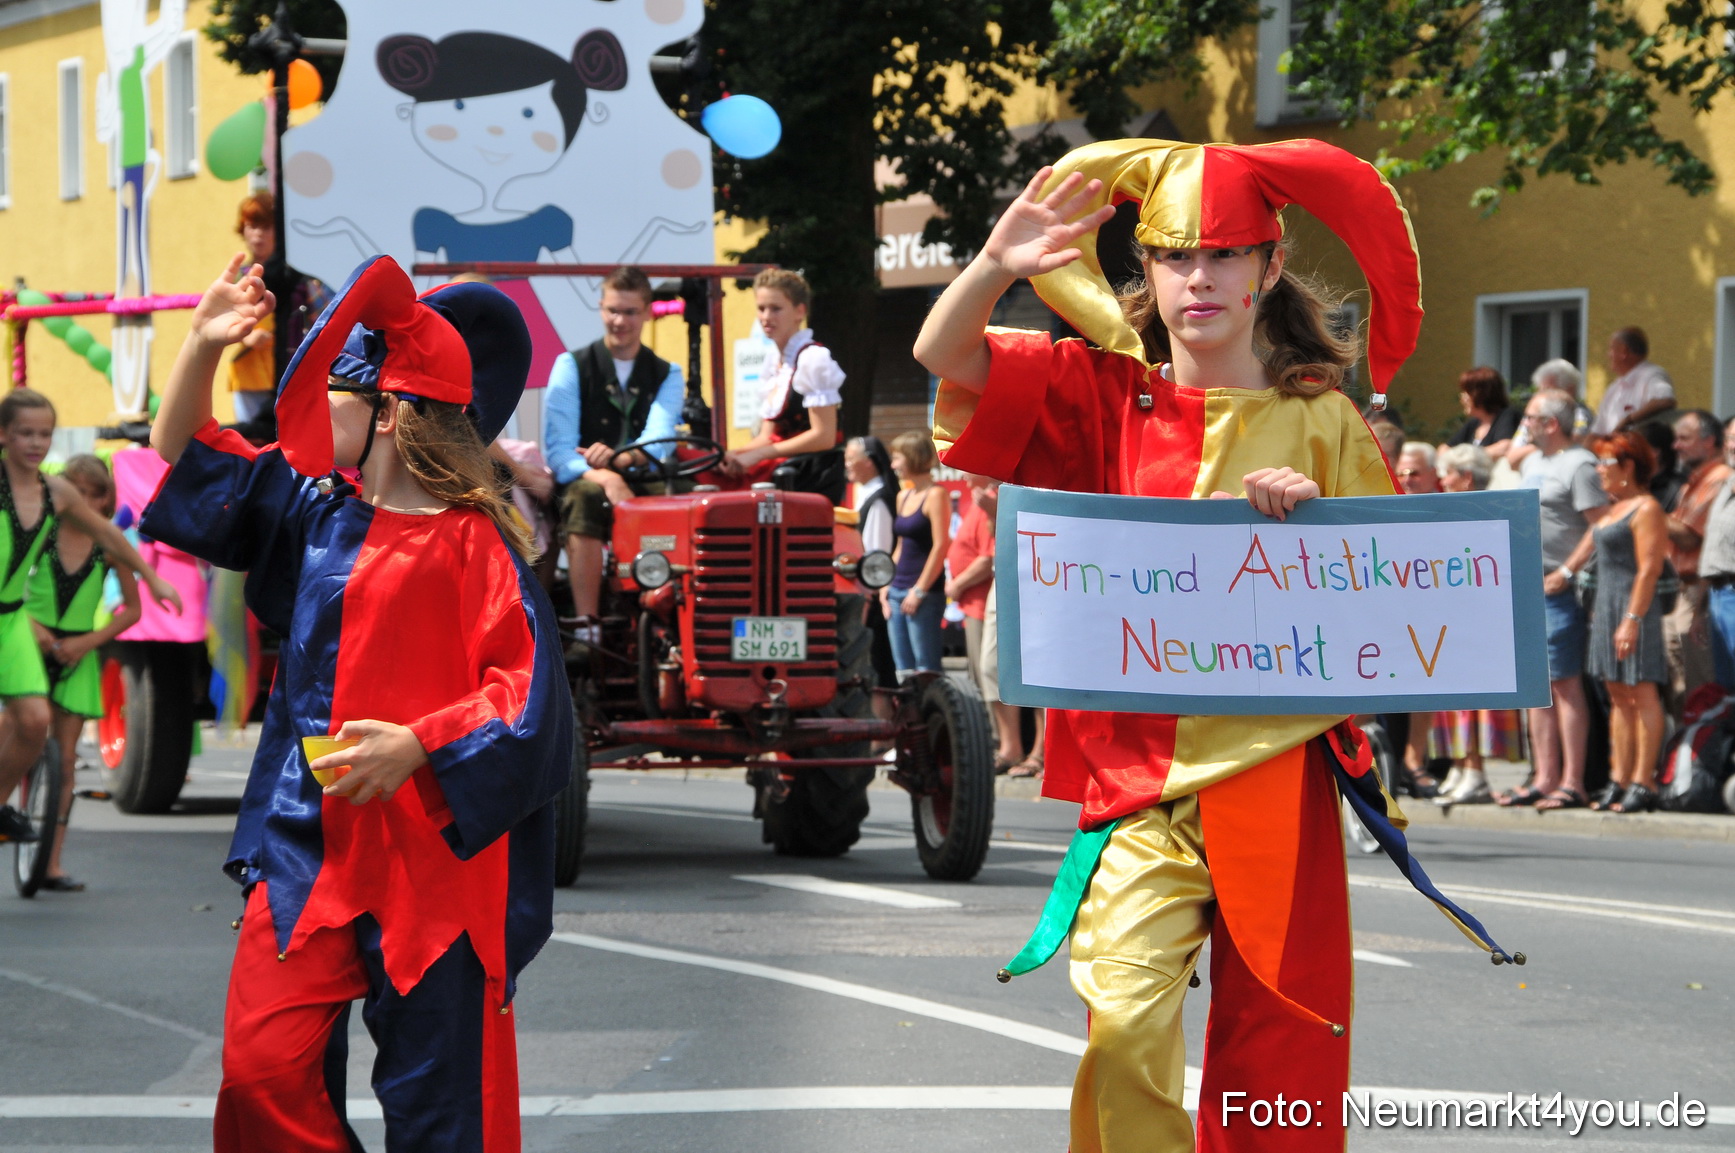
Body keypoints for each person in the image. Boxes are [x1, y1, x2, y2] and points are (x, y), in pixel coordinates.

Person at [914, 137, 1510, 1153]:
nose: (1200, 276)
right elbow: (945, 355)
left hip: (1277, 772)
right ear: (1142, 270)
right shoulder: (1099, 393)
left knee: (1281, 1048)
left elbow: (1394, 607)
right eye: (1176, 254)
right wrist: (995, 264)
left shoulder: (1324, 421)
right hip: (1137, 778)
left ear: (1269, 267)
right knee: (1125, 1024)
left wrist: (1318, 523)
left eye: (1226, 253)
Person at [144, 253, 571, 1152]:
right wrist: (201, 342)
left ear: (392, 408)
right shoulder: (309, 506)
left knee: (445, 1111)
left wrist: (418, 743)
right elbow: (182, 454)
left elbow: (528, 705)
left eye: (337, 387)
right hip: (306, 841)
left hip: (438, 866)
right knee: (259, 1072)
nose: (313, 405)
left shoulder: (480, 546)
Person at [0, 390, 180, 846]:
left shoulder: (53, 491)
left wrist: (152, 579)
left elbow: (109, 534)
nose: (35, 442)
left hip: (12, 621)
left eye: (44, 434)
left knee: (36, 720)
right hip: (27, 624)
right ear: (3, 435)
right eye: (25, 433)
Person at [542, 266, 685, 639]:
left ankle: (675, 614)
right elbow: (559, 451)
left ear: (648, 312)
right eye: (612, 310)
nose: (619, 321)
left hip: (643, 476)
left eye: (630, 312)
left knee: (685, 501)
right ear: (601, 308)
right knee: (584, 497)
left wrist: (620, 459)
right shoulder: (571, 366)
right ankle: (588, 626)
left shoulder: (667, 373)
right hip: (587, 479)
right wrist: (605, 476)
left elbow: (660, 439)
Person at [22, 455, 142, 890]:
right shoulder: (40, 533)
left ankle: (50, 861)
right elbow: (10, 585)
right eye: (79, 492)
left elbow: (133, 609)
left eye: (96, 494)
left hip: (78, 652)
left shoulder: (109, 546)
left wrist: (86, 642)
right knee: (19, 742)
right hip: (30, 643)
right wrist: (32, 629)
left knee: (66, 760)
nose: (86, 501)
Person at [1553, 432, 1668, 812]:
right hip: (1606, 607)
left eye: (1605, 462)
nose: (1599, 469)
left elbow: (1649, 569)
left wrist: (1632, 619)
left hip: (1635, 608)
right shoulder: (1614, 508)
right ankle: (1619, 777)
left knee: (1642, 692)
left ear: (1628, 466)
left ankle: (1644, 780)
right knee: (1617, 696)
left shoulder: (1647, 508)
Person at [1508, 388, 1611, 810]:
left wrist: (1566, 572)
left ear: (1551, 423)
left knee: (1565, 685)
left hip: (1558, 589)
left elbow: (1601, 524)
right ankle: (1544, 776)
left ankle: (1573, 781)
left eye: (1530, 417)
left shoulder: (1580, 464)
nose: (1524, 425)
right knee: (1536, 686)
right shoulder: (1534, 461)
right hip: (1528, 584)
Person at [1429, 444, 1522, 804]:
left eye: (1449, 473)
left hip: (1480, 618)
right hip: (1452, 614)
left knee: (1473, 697)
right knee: (1450, 695)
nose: (1443, 479)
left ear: (1466, 477)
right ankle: (1460, 766)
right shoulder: (1451, 510)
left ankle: (1475, 770)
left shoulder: (1485, 511)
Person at [722, 269, 847, 502]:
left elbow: (824, 436)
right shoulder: (774, 362)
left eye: (776, 308)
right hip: (784, 470)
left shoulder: (813, 358)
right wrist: (735, 454)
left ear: (800, 311)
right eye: (761, 308)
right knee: (705, 466)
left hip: (812, 477)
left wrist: (760, 455)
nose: (766, 317)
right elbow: (768, 436)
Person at [224, 193, 331, 431]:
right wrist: (246, 336)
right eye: (252, 226)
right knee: (252, 449)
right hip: (249, 376)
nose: (258, 235)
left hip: (292, 376)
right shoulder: (240, 277)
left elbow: (327, 320)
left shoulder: (300, 278)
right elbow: (221, 322)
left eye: (266, 227)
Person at [945, 474, 1022, 770]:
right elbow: (994, 539)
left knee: (997, 670)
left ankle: (1027, 750)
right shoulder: (986, 496)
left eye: (968, 467)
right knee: (987, 673)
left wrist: (957, 585)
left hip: (990, 593)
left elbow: (987, 554)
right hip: (985, 596)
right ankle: (1006, 745)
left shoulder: (1004, 491)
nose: (963, 474)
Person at [1661, 410, 1729, 708]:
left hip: (1701, 592)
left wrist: (1642, 506)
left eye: (1684, 438)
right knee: (1681, 686)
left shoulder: (1719, 480)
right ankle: (1688, 750)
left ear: (1709, 442)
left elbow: (1690, 538)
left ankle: (1703, 749)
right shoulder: (1694, 482)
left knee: (1703, 686)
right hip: (1681, 592)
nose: (1676, 445)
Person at [882, 432, 949, 679]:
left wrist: (919, 590)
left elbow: (941, 545)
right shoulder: (904, 495)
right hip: (897, 591)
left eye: (897, 458)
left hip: (923, 594)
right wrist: (885, 584)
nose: (893, 465)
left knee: (926, 670)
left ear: (912, 458)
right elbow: (901, 546)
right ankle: (908, 716)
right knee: (903, 670)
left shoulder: (936, 495)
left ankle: (928, 716)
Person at [844, 435, 899, 697]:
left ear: (868, 462)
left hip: (873, 596)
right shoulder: (867, 494)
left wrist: (866, 598)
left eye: (850, 459)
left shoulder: (877, 499)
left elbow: (876, 556)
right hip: (868, 593)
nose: (847, 465)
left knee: (880, 666)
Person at [1696, 417, 1735, 689]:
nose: (1732, 445)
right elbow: (1711, 554)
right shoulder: (1727, 482)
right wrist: (1699, 610)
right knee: (1726, 686)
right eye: (1730, 438)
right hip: (1718, 595)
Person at [1592, 326, 1673, 435]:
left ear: (1623, 351)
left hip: (1637, 450)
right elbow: (1596, 432)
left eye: (1611, 349)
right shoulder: (1614, 388)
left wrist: (1628, 420)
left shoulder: (1651, 375)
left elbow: (1665, 400)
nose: (1608, 354)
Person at [1442, 367, 1519, 460]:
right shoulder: (1474, 423)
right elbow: (1444, 449)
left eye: (1466, 392)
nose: (1462, 398)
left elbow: (1505, 447)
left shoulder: (1507, 415)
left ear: (1481, 394)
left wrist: (1464, 457)